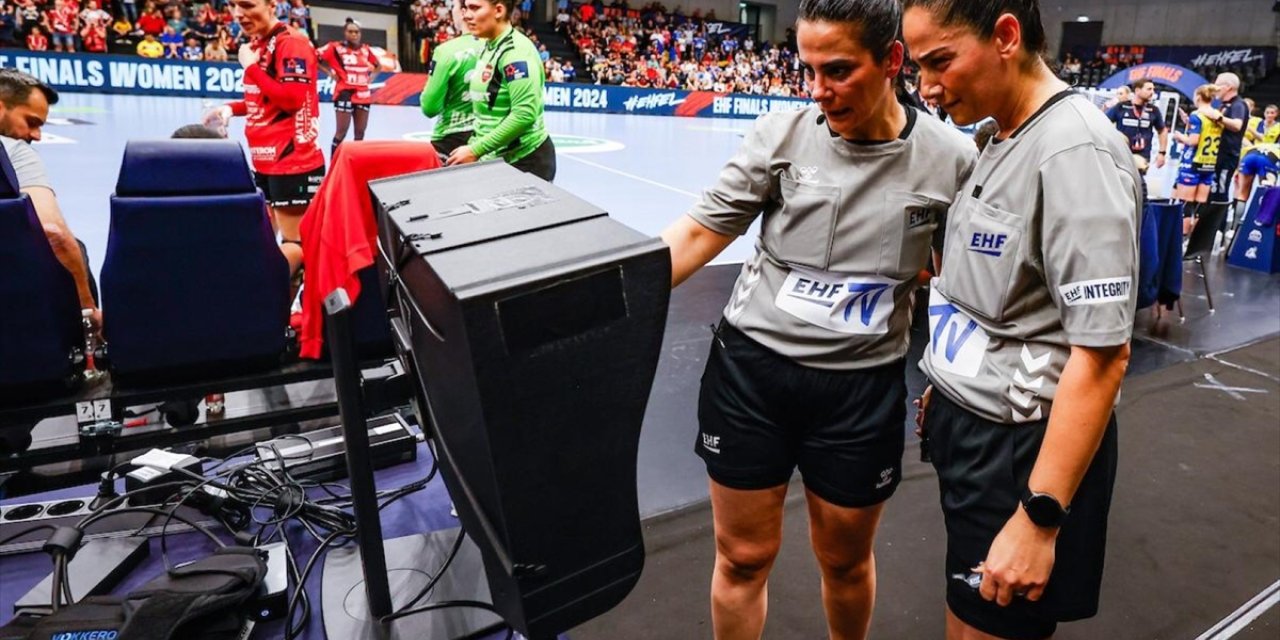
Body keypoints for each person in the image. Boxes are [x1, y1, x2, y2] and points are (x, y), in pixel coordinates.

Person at [662, 1, 976, 638]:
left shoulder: (952, 159)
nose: (818, 91)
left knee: (844, 561)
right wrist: (597, 304)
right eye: (808, 69)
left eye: (837, 70)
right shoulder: (781, 136)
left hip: (862, 392)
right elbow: (696, 236)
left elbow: (959, 282)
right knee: (743, 558)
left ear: (892, 61)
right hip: (752, 376)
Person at [903, 2, 1139, 640]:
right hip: (972, 434)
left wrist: (1039, 517)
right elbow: (996, 302)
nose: (925, 85)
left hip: (1021, 461)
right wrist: (949, 385)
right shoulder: (1001, 134)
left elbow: (1102, 355)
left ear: (1006, 36)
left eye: (940, 61)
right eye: (918, 64)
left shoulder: (1075, 153)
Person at [204, 0, 324, 257]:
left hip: (293, 163)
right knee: (264, 245)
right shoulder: (258, 44)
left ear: (272, 5)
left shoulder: (291, 43)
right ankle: (267, 295)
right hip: (264, 162)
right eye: (234, 5)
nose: (238, 14)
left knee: (294, 248)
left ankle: (285, 298)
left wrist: (250, 67)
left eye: (247, 5)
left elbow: (291, 100)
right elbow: (265, 98)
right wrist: (231, 109)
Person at [0, 70, 101, 331]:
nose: (37, 135)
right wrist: (88, 313)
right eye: (31, 122)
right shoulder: (14, 150)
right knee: (74, 247)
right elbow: (53, 233)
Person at [447, 0, 556, 182]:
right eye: (465, 8)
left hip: (525, 163)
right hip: (495, 160)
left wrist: (475, 150)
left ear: (498, 10)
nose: (466, 15)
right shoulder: (488, 45)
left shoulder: (516, 53)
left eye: (474, 8)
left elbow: (524, 114)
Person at [318, 19, 390, 155]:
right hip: (344, 93)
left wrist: (370, 79)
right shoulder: (335, 47)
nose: (354, 35)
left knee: (360, 133)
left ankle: (356, 163)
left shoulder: (365, 49)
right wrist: (330, 73)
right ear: (345, 33)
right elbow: (315, 57)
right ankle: (335, 165)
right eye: (350, 32)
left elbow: (378, 66)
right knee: (341, 133)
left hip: (363, 95)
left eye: (356, 32)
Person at [420, 0, 482, 156]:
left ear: (463, 12)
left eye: (453, 6)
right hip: (489, 137)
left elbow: (430, 108)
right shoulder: (500, 47)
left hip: (451, 139)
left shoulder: (447, 51)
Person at [1172, 84, 1221, 233]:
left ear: (1198, 97)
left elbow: (1193, 141)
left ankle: (1181, 238)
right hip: (1209, 162)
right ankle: (1192, 241)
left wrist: (1180, 136)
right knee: (1200, 204)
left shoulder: (1197, 115)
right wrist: (1188, 122)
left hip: (1192, 161)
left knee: (1184, 202)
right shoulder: (1216, 114)